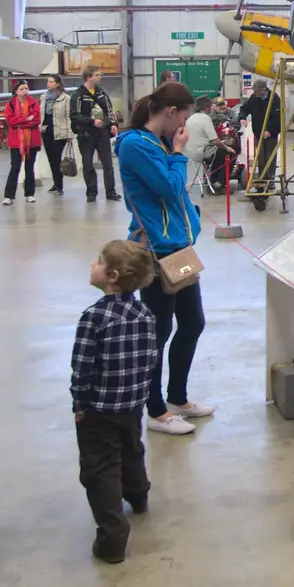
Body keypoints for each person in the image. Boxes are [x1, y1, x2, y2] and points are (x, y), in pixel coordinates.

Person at [114, 82, 213, 436]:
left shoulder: (158, 144)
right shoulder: (136, 145)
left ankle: (178, 397)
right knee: (157, 332)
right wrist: (179, 153)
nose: (184, 126)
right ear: (171, 112)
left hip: (179, 251)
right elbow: (169, 189)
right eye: (184, 117)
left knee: (192, 323)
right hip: (154, 253)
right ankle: (155, 410)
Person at [71, 239, 158, 564]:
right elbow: (151, 358)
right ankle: (138, 494)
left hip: (99, 409)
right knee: (131, 447)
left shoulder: (93, 318)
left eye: (98, 260)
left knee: (101, 468)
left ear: (113, 275)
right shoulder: (144, 313)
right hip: (132, 403)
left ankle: (112, 537)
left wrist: (80, 406)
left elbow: (82, 368)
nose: (92, 264)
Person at [72, 65, 119, 203]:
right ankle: (91, 193)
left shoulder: (102, 92)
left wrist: (113, 124)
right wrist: (91, 121)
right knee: (88, 164)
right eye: (98, 74)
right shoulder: (78, 95)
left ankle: (111, 192)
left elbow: (109, 109)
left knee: (108, 164)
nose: (100, 77)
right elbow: (74, 115)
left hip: (102, 133)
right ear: (89, 77)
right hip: (86, 134)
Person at [2, 78, 42, 205]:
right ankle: (9, 196)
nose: (25, 91)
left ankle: (30, 194)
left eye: (26, 88)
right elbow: (10, 122)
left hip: (32, 140)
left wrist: (21, 122)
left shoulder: (34, 103)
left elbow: (36, 120)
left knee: (30, 167)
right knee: (15, 167)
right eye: (22, 89)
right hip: (16, 140)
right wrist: (26, 119)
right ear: (16, 91)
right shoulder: (10, 105)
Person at [240, 79, 282, 184]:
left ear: (263, 90)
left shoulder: (274, 99)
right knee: (260, 156)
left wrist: (270, 131)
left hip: (270, 134)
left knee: (270, 156)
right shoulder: (254, 98)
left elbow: (278, 118)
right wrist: (242, 117)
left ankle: (270, 179)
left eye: (257, 91)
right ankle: (262, 178)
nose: (255, 93)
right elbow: (244, 108)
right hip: (258, 133)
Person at [40, 73, 72, 195]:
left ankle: (59, 185)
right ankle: (56, 182)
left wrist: (70, 134)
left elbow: (68, 116)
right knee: (51, 159)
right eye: (48, 82)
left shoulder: (65, 98)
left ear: (58, 84)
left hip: (60, 131)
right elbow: (42, 115)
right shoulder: (44, 97)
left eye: (51, 82)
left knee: (56, 158)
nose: (49, 84)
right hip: (47, 130)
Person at [180, 95, 219, 192]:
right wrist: (226, 147)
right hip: (203, 153)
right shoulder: (205, 118)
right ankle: (218, 182)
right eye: (210, 106)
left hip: (190, 154)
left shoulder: (190, 118)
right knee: (224, 152)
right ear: (206, 107)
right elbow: (214, 140)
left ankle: (207, 179)